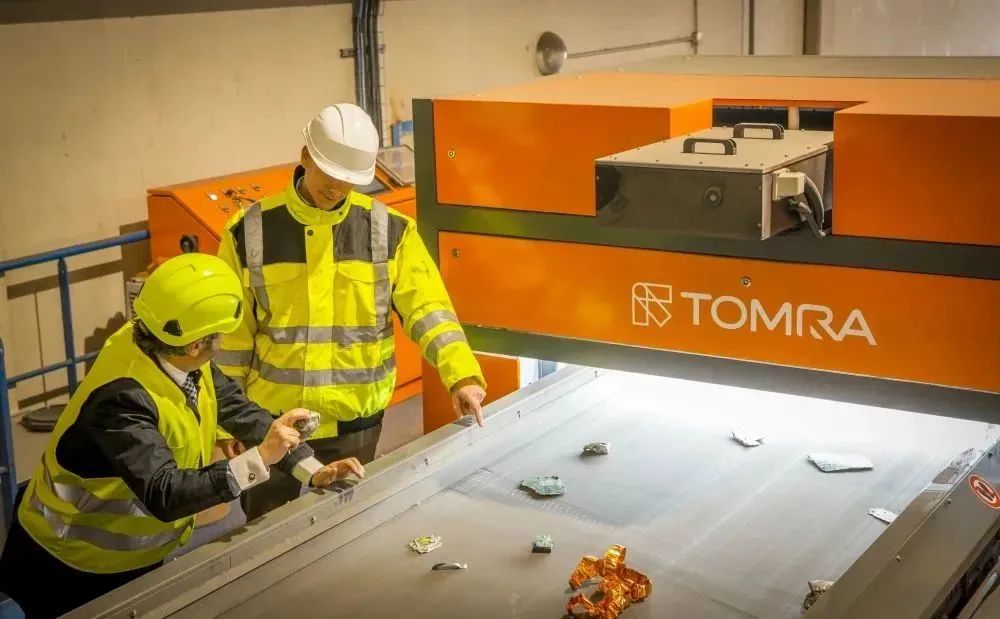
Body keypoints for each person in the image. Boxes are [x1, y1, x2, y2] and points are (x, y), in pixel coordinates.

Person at [0, 254, 363, 618]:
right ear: (196, 345)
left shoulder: (167, 348)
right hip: (71, 565)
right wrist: (259, 459)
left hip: (131, 554)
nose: (222, 342)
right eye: (220, 335)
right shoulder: (121, 399)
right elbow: (166, 493)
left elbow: (238, 410)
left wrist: (311, 469)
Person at [214, 103, 486, 521]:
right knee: (270, 537)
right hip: (271, 427)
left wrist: (461, 375)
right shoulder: (249, 232)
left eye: (350, 179)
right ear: (305, 156)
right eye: (330, 173)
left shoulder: (390, 231)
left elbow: (429, 310)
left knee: (347, 531)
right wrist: (226, 423)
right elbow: (229, 340)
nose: (338, 187)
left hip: (356, 425)